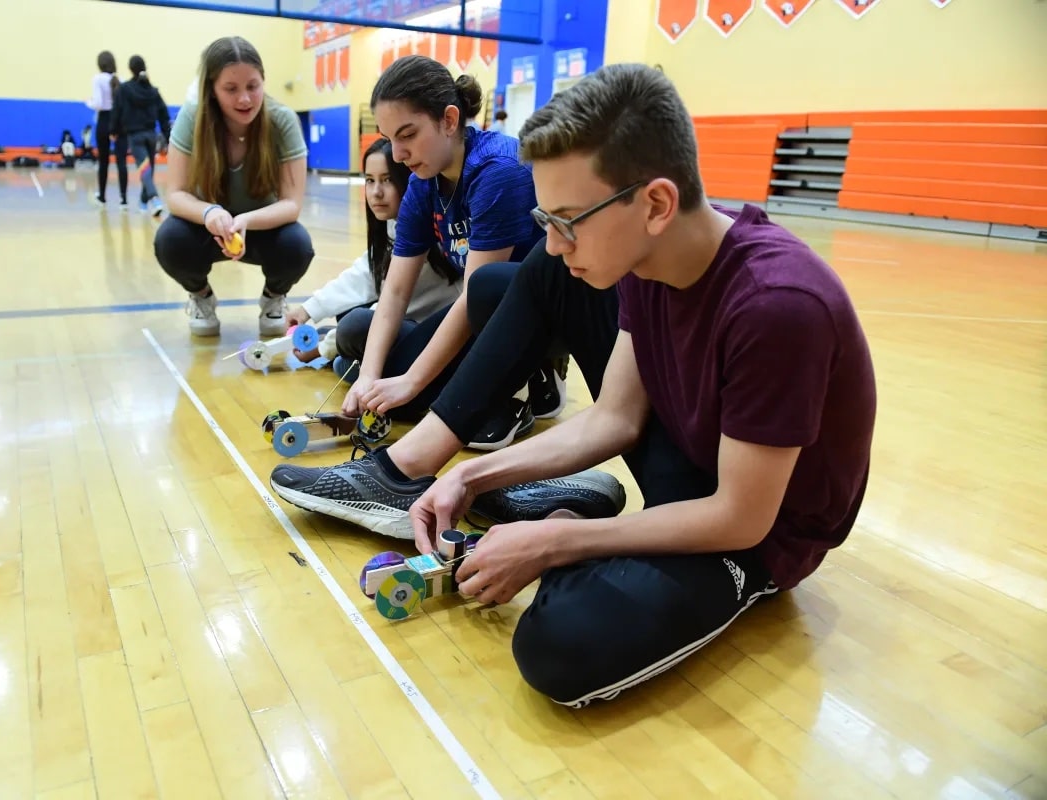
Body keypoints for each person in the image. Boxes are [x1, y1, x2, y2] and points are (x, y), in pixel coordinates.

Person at [271, 63, 877, 708]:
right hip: (694, 468)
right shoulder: (650, 255)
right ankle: (524, 504)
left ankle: (564, 521)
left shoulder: (777, 305)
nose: (555, 242)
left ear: (656, 204)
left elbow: (740, 516)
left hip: (753, 532)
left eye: (568, 220)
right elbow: (613, 419)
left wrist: (559, 541)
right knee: (530, 275)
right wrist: (466, 478)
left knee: (557, 650)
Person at [339, 55, 561, 442]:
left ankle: (533, 375)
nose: (397, 155)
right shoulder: (424, 182)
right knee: (361, 336)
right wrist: (372, 377)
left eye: (407, 135)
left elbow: (476, 295)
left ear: (450, 120)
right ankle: (481, 392)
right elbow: (393, 291)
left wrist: (409, 381)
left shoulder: (497, 171)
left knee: (411, 390)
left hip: (534, 315)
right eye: (391, 139)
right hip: (480, 313)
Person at [154, 36, 314, 338]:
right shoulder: (192, 118)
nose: (245, 99)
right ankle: (201, 296)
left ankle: (273, 298)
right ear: (212, 90)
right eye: (231, 89)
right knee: (170, 240)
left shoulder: (283, 121)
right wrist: (209, 213)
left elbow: (292, 204)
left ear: (263, 81)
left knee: (297, 246)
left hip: (260, 229)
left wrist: (246, 220)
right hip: (207, 229)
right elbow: (175, 194)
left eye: (253, 86)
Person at [286, 137, 462, 372]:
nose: (376, 192)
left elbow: (390, 307)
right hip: (407, 323)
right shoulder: (394, 223)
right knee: (348, 318)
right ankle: (344, 350)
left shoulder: (426, 236)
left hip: (436, 336)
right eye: (370, 180)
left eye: (387, 180)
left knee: (353, 330)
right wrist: (308, 309)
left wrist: (322, 349)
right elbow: (365, 273)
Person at [111, 54, 170, 216]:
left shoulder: (124, 90)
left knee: (145, 170)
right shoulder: (152, 91)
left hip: (135, 137)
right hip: (151, 135)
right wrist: (167, 134)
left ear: (131, 69)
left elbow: (116, 111)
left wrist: (113, 130)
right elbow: (164, 113)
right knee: (147, 169)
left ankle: (154, 198)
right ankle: (144, 202)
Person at [86, 50, 128, 208]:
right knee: (121, 161)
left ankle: (102, 196)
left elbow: (97, 103)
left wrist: (88, 102)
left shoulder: (97, 79)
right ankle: (123, 199)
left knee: (103, 161)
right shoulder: (120, 79)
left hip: (104, 121)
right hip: (119, 122)